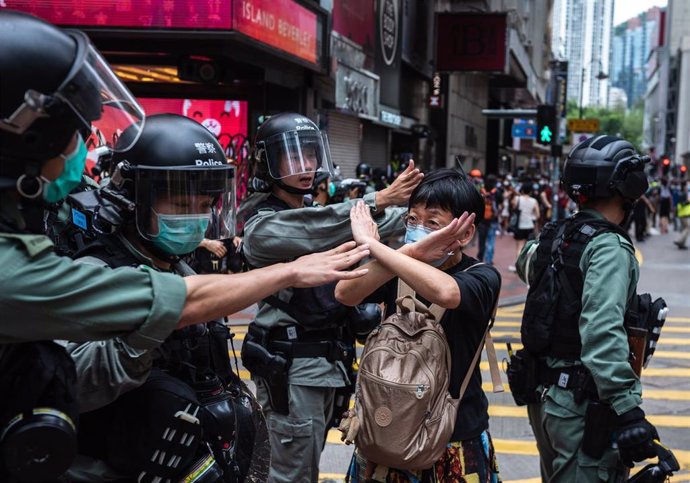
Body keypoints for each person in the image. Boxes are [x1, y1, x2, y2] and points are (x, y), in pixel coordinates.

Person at [0, 12, 368, 481]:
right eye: (178, 199)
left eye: (205, 200)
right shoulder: (45, 267)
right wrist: (289, 272)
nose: (194, 213)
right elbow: (104, 361)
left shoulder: (178, 264)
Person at [240, 112, 422, 483]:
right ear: (268, 162)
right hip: (293, 369)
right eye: (292, 157)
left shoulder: (315, 214)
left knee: (304, 469)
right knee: (290, 476)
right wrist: (381, 198)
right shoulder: (264, 225)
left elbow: (365, 228)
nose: (305, 166)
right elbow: (320, 227)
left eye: (309, 155)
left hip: (328, 367)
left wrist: (426, 215)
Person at [335, 168, 502, 482]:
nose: (418, 229)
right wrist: (407, 252)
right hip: (385, 430)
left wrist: (377, 247)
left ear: (465, 233)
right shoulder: (398, 264)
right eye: (412, 219)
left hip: (452, 435)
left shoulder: (483, 276)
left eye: (433, 222)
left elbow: (446, 293)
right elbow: (345, 293)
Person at [515, 136, 661, 482]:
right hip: (580, 404)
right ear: (628, 186)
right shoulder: (608, 248)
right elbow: (601, 330)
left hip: (544, 398)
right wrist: (627, 409)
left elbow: (527, 265)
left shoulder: (554, 235)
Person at [509, 182, 539, 272]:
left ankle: (517, 268)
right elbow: (537, 215)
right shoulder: (534, 201)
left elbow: (512, 207)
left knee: (519, 247)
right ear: (531, 192)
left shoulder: (517, 199)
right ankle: (527, 267)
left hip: (519, 226)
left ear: (522, 190)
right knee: (529, 247)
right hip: (529, 226)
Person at [477, 174, 502, 264]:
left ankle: (480, 258)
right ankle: (488, 260)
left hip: (482, 219)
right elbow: (501, 205)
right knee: (491, 241)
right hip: (493, 220)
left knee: (481, 241)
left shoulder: (481, 191)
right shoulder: (497, 192)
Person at [674, 179, 690, 249]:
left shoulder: (682, 193)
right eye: (687, 185)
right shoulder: (684, 194)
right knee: (687, 228)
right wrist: (688, 202)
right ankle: (679, 240)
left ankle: (682, 245)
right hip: (684, 214)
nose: (688, 186)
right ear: (684, 186)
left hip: (682, 214)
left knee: (684, 229)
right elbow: (682, 204)